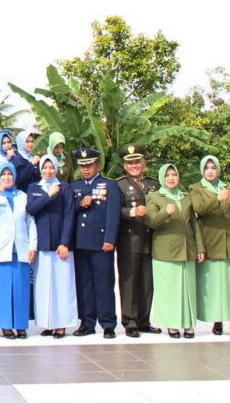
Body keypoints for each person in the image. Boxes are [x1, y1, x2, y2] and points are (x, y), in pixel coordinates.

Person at [144, 163, 205, 338]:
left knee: (187, 288)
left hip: (187, 249)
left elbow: (194, 224)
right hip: (166, 251)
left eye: (174, 175)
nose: (171, 178)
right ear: (162, 178)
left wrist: (200, 247)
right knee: (169, 290)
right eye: (167, 175)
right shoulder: (154, 197)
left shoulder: (185, 197)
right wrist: (165, 211)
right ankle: (172, 324)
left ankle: (188, 324)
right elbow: (151, 221)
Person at [190, 155, 230, 339]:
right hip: (211, 241)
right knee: (214, 284)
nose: (210, 171)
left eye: (213, 167)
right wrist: (217, 198)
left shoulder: (229, 187)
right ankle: (217, 319)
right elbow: (199, 209)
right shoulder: (195, 188)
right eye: (206, 168)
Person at [0, 160, 36, 338]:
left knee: (20, 289)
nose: (6, 177)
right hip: (0, 250)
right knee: (1, 290)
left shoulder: (23, 196)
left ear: (15, 176)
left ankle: (20, 325)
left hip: (20, 249)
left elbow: (30, 222)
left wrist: (33, 246)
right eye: (3, 174)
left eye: (10, 174)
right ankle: (5, 325)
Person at [71, 148, 120, 338]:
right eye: (82, 165)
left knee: (104, 284)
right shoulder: (75, 186)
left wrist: (109, 239)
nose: (85, 169)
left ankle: (108, 323)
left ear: (97, 165)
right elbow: (70, 212)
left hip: (101, 243)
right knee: (84, 285)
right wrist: (79, 204)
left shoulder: (109, 185)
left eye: (89, 165)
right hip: (81, 243)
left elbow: (113, 215)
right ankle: (87, 322)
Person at [27, 154, 78, 338]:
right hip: (42, 245)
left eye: (51, 167)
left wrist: (65, 243)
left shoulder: (65, 187)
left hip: (60, 246)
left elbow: (69, 216)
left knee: (62, 286)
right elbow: (31, 209)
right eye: (44, 167)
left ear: (56, 168)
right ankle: (47, 323)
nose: (48, 171)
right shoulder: (34, 187)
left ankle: (61, 324)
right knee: (43, 286)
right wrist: (48, 195)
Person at [114, 144, 161, 338]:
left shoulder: (154, 184)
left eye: (137, 162)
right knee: (129, 282)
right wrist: (132, 212)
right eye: (130, 163)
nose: (134, 166)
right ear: (125, 166)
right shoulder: (119, 185)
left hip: (151, 239)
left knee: (147, 283)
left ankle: (144, 320)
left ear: (144, 163)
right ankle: (130, 321)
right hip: (129, 239)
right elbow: (114, 211)